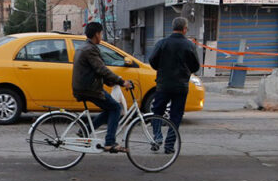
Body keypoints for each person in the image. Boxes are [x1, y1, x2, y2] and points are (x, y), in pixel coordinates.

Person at [73, 21, 134, 152]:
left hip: (85, 87)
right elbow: (101, 69)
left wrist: (111, 82)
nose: (101, 36)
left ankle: (85, 130)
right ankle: (110, 142)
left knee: (110, 108)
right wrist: (121, 81)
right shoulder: (90, 49)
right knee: (116, 108)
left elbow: (95, 70)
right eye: (101, 33)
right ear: (96, 34)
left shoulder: (84, 47)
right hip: (89, 89)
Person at [148, 17, 201, 153]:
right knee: (176, 116)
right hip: (180, 86)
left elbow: (152, 61)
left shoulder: (162, 43)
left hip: (163, 85)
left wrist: (162, 69)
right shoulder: (189, 45)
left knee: (157, 112)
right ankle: (169, 145)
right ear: (185, 29)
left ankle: (157, 137)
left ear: (172, 28)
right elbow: (195, 66)